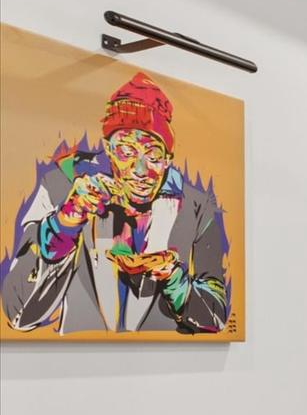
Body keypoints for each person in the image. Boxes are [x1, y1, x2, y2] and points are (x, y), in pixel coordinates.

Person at [2, 71, 230, 334]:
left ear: (168, 159)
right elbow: (17, 312)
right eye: (127, 151)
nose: (140, 170)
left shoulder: (196, 206)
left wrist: (173, 278)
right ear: (109, 150)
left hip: (161, 355)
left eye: (153, 155)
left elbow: (217, 318)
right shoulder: (60, 186)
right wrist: (65, 224)